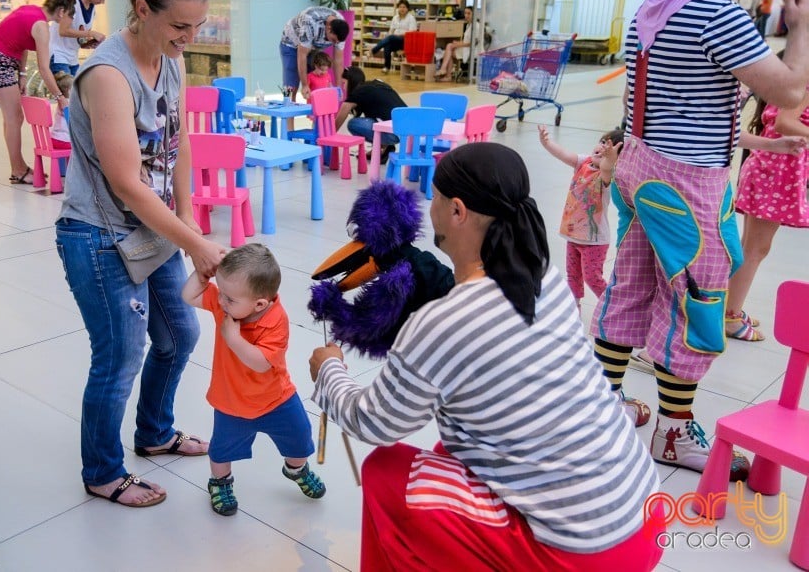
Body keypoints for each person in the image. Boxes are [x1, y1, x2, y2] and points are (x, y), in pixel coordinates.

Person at [309, 143, 663, 571]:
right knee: (445, 449)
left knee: (388, 474)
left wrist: (328, 370)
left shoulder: (442, 321)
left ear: (456, 211)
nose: (429, 207)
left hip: (581, 553)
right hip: (644, 510)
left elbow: (373, 422)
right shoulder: (543, 277)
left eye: (434, 197)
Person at [591, 0, 809, 480]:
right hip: (689, 186)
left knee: (630, 286)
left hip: (642, 169)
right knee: (698, 301)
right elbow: (789, 93)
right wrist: (802, 28)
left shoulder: (653, 4)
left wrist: (759, 144)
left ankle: (599, 409)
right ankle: (673, 431)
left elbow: (690, 104)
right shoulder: (716, 11)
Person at [55, 0, 227, 508]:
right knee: (120, 355)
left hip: (155, 228)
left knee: (180, 334)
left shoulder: (170, 59)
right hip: (97, 234)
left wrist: (187, 218)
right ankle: (102, 470)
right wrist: (196, 242)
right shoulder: (108, 74)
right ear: (141, 9)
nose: (189, 37)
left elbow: (179, 144)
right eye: (180, 25)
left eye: (197, 25)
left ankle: (154, 433)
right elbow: (127, 182)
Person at [181, 244, 326, 516]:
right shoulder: (228, 304)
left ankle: (296, 469)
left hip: (277, 400)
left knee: (300, 439)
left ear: (260, 303)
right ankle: (220, 482)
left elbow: (260, 363)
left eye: (229, 298)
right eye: (220, 292)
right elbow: (189, 296)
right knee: (221, 450)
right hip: (231, 402)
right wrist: (201, 277)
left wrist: (233, 339)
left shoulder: (276, 320)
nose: (221, 301)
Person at [726, 65, 809, 341]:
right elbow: (786, 122)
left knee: (749, 247)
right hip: (777, 172)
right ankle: (729, 316)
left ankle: (727, 307)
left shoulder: (798, 76)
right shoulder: (806, 79)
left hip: (771, 168)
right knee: (756, 249)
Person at [0, 0, 75, 185]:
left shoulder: (32, 11)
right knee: (14, 117)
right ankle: (18, 169)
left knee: (12, 117)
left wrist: (21, 74)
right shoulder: (42, 27)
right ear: (61, 11)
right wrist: (59, 97)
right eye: (68, 15)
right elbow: (44, 68)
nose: (67, 20)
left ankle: (18, 166)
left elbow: (20, 43)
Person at [538, 126, 623, 311]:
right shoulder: (583, 163)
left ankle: (612, 306)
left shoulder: (607, 175)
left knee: (592, 278)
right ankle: (573, 308)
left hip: (595, 241)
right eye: (602, 142)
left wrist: (609, 158)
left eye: (609, 148)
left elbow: (608, 166)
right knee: (573, 276)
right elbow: (564, 154)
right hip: (573, 235)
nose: (602, 148)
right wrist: (547, 143)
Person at [48, 0, 112, 76]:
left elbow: (80, 39)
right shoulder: (73, 3)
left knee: (78, 91)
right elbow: (63, 31)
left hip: (72, 57)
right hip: (58, 55)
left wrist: (91, 43)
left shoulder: (92, 10)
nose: (102, 2)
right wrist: (91, 33)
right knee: (68, 90)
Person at [335, 66, 406, 163]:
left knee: (353, 124)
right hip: (404, 130)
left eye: (344, 83)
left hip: (393, 133)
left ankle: (383, 146)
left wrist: (330, 133)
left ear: (351, 82)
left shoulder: (359, 91)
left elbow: (344, 109)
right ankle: (382, 148)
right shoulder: (374, 85)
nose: (343, 87)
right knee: (374, 121)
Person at [279, 6, 349, 102]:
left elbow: (338, 60)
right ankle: (288, 114)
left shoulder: (341, 27)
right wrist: (304, 85)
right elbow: (302, 55)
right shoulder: (310, 22)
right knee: (291, 85)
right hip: (290, 44)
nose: (335, 43)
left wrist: (338, 87)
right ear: (328, 28)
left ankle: (315, 115)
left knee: (318, 80)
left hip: (312, 46)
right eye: (333, 40)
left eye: (338, 41)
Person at [371, 0, 417, 74]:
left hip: (406, 41)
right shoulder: (395, 18)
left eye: (404, 7)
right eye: (400, 7)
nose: (402, 9)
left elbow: (412, 32)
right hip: (395, 40)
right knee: (387, 44)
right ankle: (386, 67)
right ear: (398, 8)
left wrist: (397, 35)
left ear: (407, 8)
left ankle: (374, 50)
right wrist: (390, 36)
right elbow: (391, 30)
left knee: (391, 37)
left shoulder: (411, 18)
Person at [435, 6, 472, 80]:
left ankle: (444, 71)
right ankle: (446, 73)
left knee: (449, 48)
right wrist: (458, 42)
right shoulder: (468, 25)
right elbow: (466, 40)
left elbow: (472, 43)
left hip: (470, 50)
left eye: (469, 13)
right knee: (449, 49)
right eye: (465, 13)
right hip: (466, 48)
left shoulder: (476, 26)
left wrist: (459, 44)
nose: (466, 15)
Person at [49, 71, 73, 148]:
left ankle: (62, 160)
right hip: (65, 140)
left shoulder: (61, 102)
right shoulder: (69, 103)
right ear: (70, 90)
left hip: (54, 138)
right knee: (87, 146)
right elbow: (72, 123)